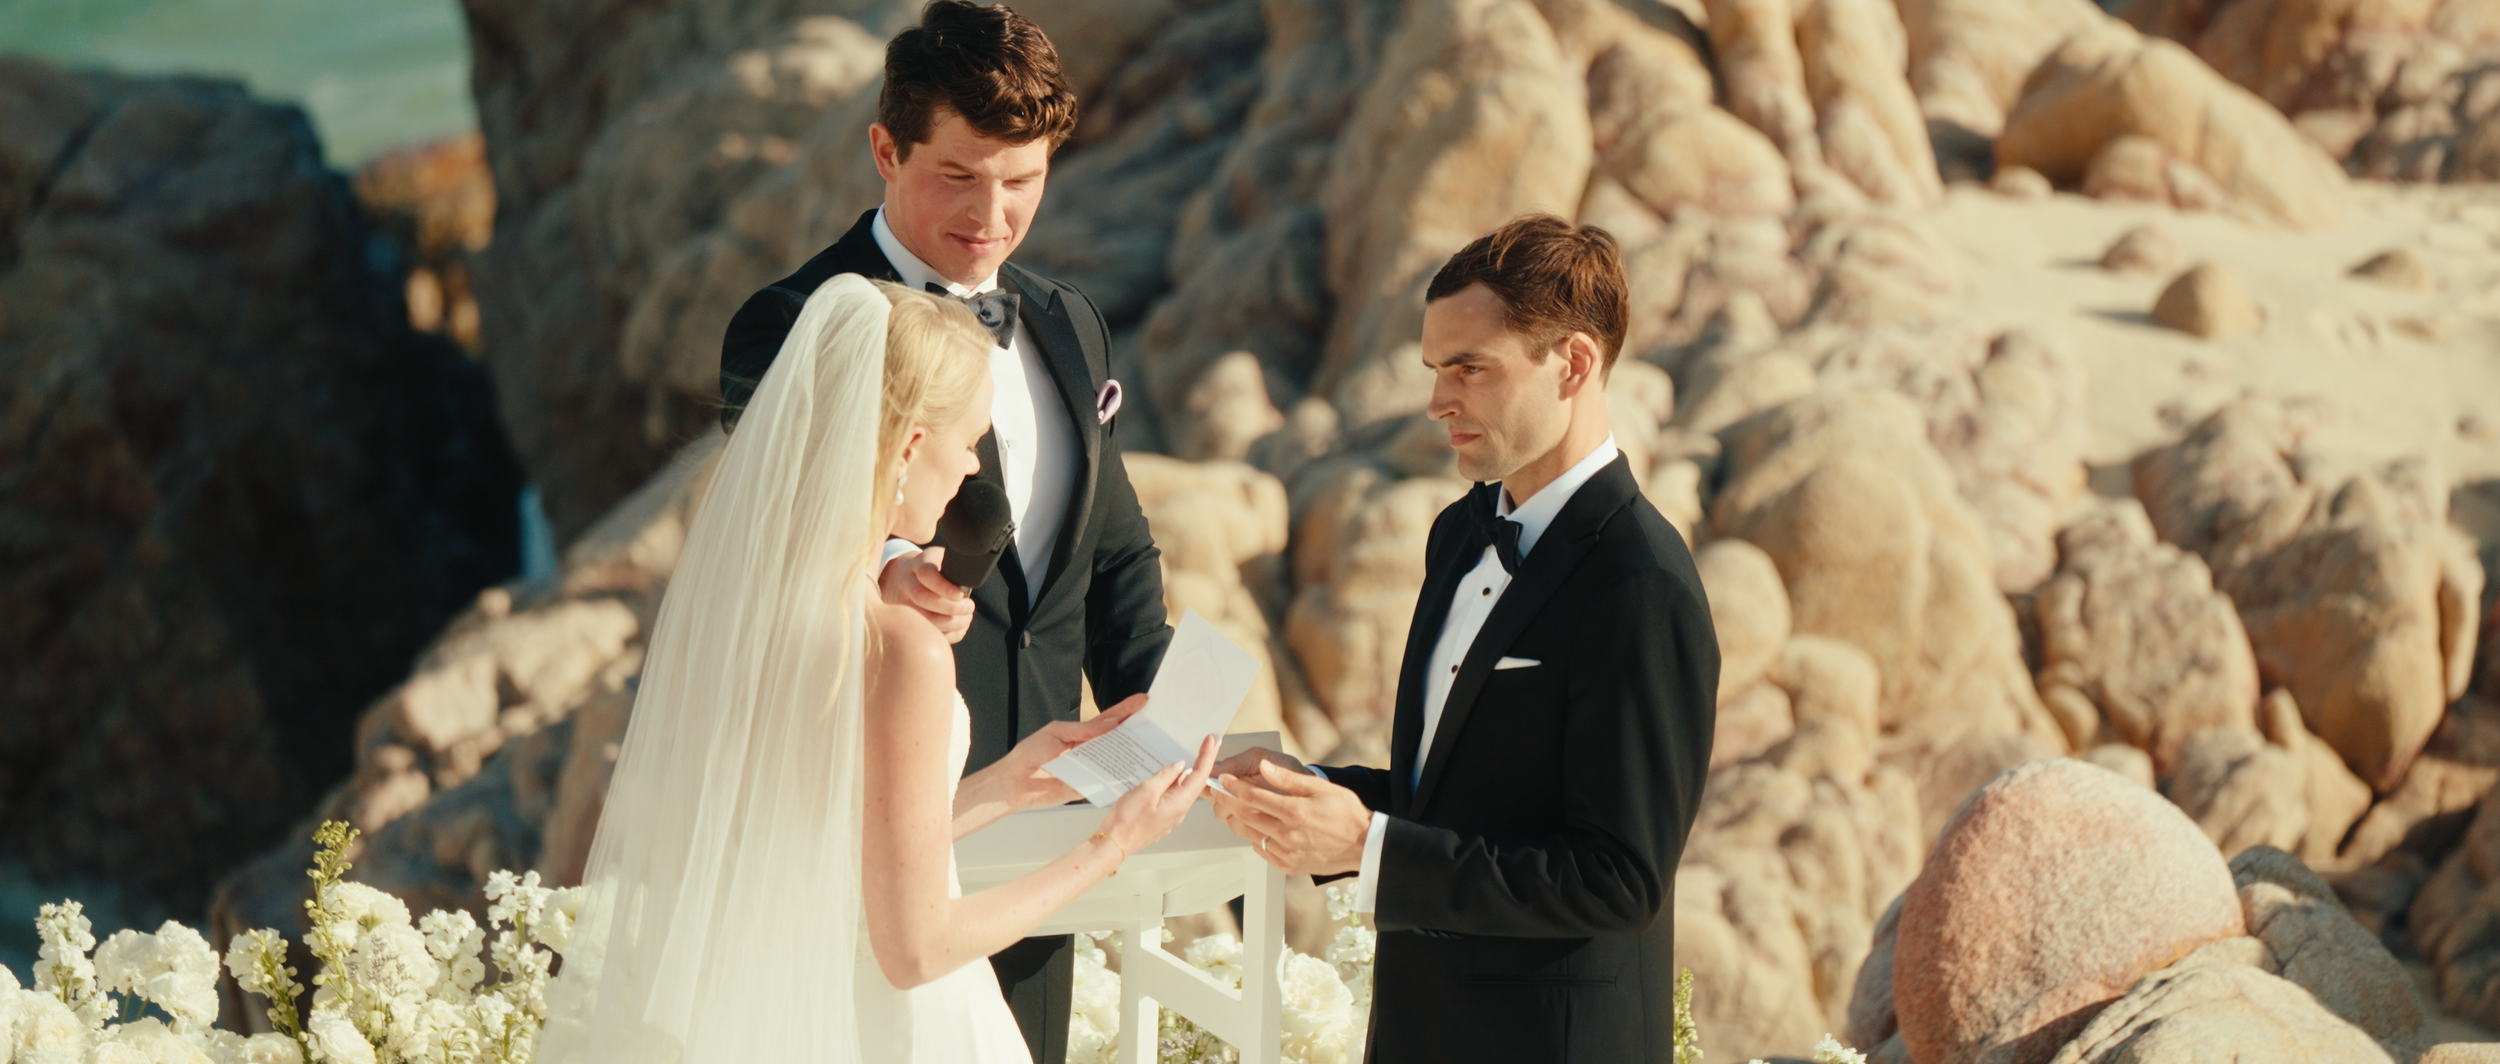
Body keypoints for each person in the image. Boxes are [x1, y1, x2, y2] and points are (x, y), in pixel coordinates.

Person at [538, 277, 1219, 1064]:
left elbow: (826, 842)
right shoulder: (904, 648)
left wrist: (1015, 783)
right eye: (967, 440)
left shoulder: (779, 606)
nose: (972, 469)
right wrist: (1113, 844)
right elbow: (918, 951)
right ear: (908, 449)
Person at [716, 9, 1169, 1057]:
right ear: (885, 147)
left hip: (1040, 806)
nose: (994, 215)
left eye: (1022, 179)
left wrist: (1158, 726)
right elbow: (770, 554)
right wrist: (887, 568)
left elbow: (1112, 553)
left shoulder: (1070, 321)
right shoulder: (788, 326)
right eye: (960, 175)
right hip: (867, 824)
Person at [1205, 215, 1719, 1062]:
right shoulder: (1460, 531)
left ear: (1575, 364)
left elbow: (1617, 879)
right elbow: (1458, 798)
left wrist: (1366, 847)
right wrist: (1317, 793)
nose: (1439, 401)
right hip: (1417, 1031)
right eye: (1436, 370)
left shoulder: (1642, 586)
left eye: (1470, 368)